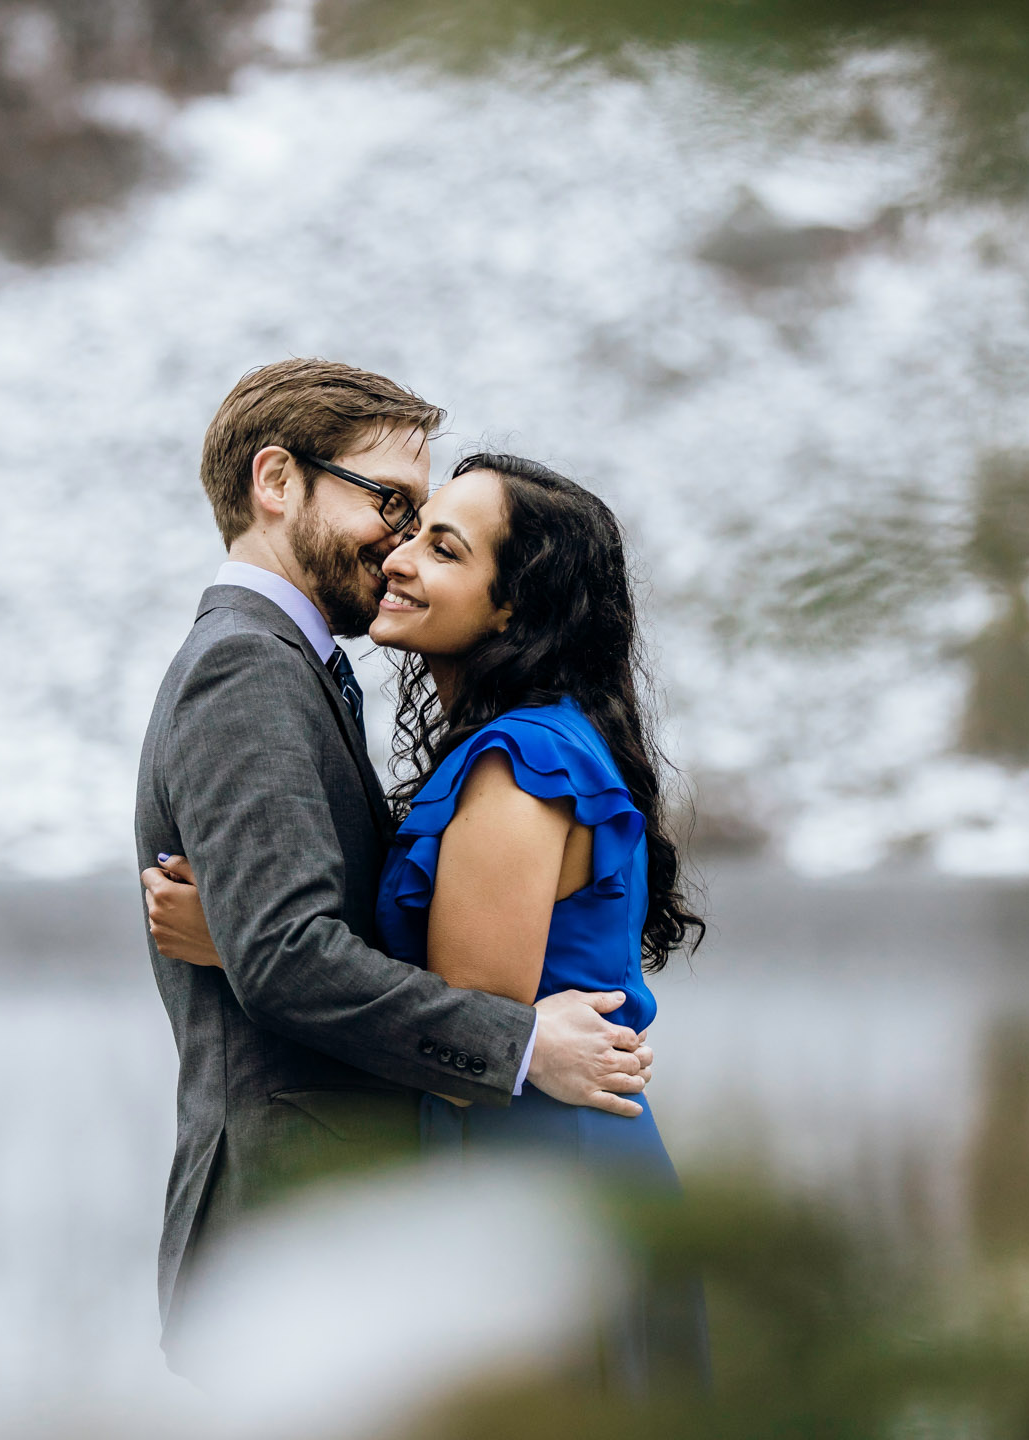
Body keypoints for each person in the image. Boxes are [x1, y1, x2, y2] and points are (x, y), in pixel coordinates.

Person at [145, 449, 710, 1387]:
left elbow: (471, 1026)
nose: (399, 557)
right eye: (408, 531)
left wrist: (247, 945)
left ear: (512, 608)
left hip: (535, 1174)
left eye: (443, 548)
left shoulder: (518, 765)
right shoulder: (510, 745)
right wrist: (251, 936)